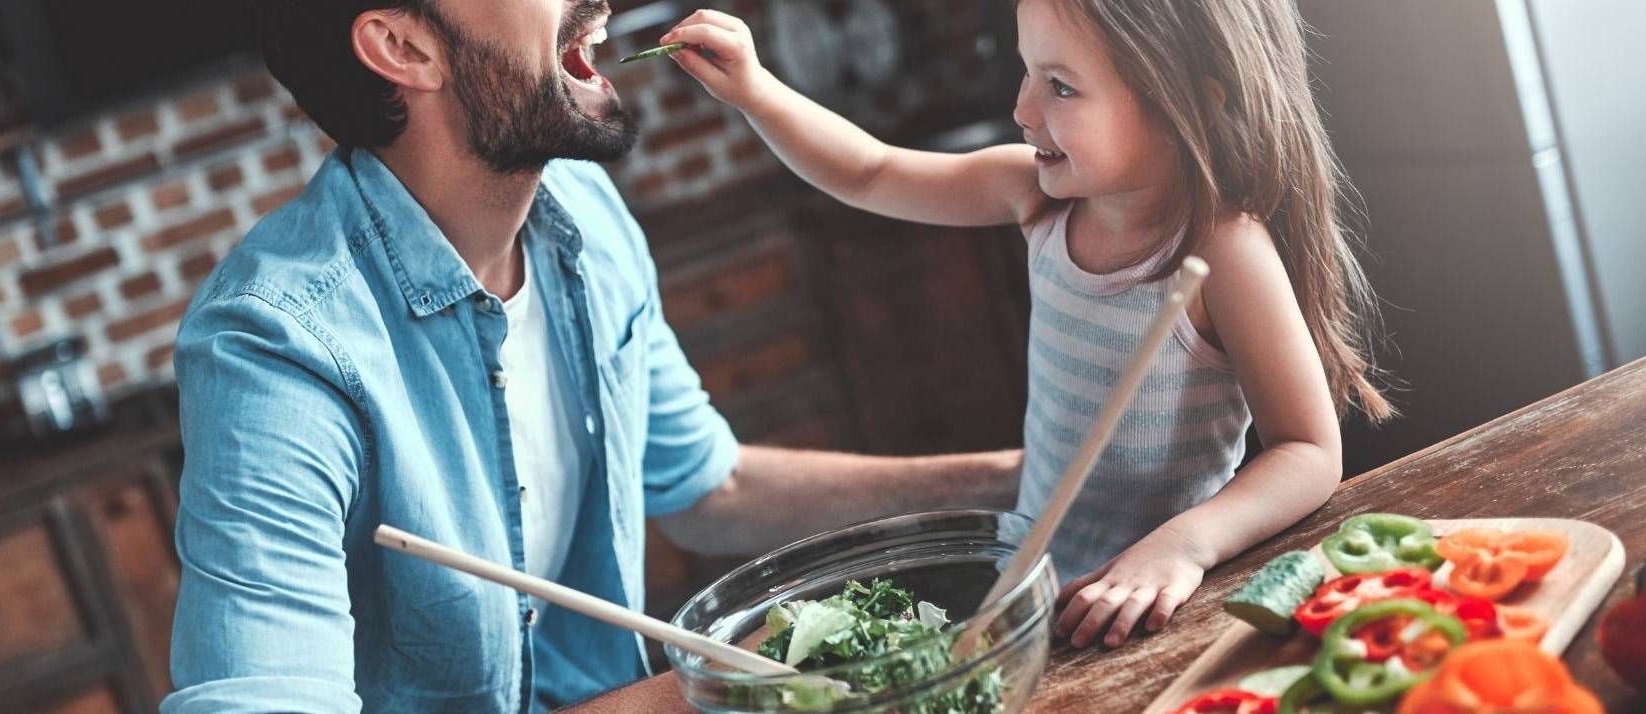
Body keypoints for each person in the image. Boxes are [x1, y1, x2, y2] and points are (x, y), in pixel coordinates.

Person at [162, 1, 1021, 711]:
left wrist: (1025, 478)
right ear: (403, 46)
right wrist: (708, 692)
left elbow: (707, 489)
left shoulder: (580, 213)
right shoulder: (275, 350)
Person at [663, 0, 1393, 651]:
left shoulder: (1221, 248)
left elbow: (1306, 450)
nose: (1023, 109)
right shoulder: (1036, 198)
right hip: (1035, 596)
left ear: (1190, 106)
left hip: (1163, 608)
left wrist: (1183, 548)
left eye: (1061, 86)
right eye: (1026, 73)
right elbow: (871, 171)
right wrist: (757, 93)